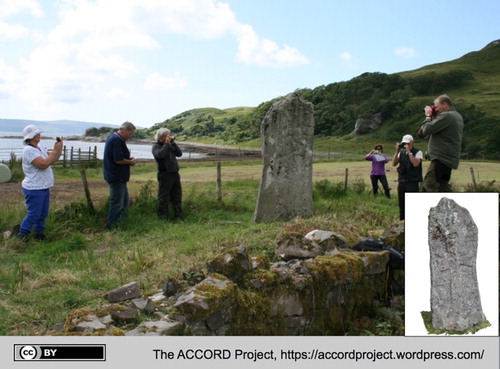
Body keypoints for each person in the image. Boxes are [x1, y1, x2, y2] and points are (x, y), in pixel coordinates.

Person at [18, 125, 63, 241]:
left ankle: (39, 234)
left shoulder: (39, 147)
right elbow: (42, 164)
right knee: (34, 214)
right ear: (33, 136)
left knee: (42, 214)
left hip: (43, 187)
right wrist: (55, 152)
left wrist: (58, 149)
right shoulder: (29, 150)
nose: (39, 135)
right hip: (34, 188)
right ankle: (23, 234)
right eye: (37, 133)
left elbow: (52, 159)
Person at [419, 94, 464, 192]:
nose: (435, 109)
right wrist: (434, 117)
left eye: (436, 106)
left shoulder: (447, 115)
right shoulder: (456, 115)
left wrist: (428, 115)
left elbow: (426, 129)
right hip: (448, 159)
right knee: (442, 188)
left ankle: (434, 207)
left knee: (429, 186)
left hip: (441, 158)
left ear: (445, 104)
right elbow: (423, 132)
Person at [103, 121, 137, 230]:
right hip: (116, 176)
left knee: (125, 202)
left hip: (118, 176)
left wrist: (128, 159)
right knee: (117, 203)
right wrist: (131, 162)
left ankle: (122, 223)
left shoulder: (113, 137)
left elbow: (119, 157)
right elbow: (118, 160)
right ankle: (112, 227)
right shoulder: (117, 140)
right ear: (124, 130)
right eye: (130, 133)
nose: (130, 136)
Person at [152, 128, 183, 220]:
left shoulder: (170, 144)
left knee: (177, 195)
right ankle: (162, 217)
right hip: (164, 174)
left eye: (169, 135)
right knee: (163, 196)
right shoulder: (156, 146)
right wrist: (166, 144)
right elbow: (160, 155)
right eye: (166, 135)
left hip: (174, 174)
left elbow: (179, 154)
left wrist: (173, 143)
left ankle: (178, 216)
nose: (168, 137)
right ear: (161, 136)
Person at [392, 134, 423, 221]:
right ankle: (402, 222)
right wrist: (397, 151)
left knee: (412, 205)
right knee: (402, 204)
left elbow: (416, 164)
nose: (405, 145)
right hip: (402, 181)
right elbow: (394, 163)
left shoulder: (418, 152)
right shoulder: (401, 153)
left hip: (412, 182)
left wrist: (409, 152)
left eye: (407, 143)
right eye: (404, 143)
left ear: (412, 143)